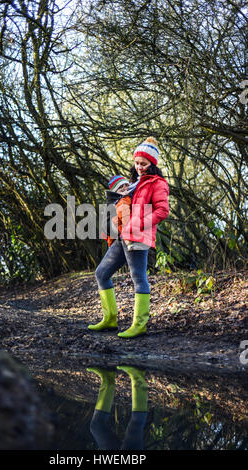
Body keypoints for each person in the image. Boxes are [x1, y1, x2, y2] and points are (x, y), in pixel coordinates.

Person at [88, 137, 169, 338]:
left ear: (152, 164)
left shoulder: (158, 183)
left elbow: (162, 211)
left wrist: (139, 223)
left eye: (144, 163)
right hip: (123, 237)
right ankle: (110, 319)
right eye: (137, 163)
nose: (139, 167)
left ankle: (139, 325)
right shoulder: (134, 183)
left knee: (138, 278)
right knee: (101, 273)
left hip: (138, 236)